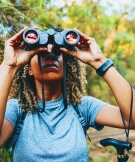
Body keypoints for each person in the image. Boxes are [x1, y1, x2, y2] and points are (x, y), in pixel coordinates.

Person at [0, 27, 134, 162]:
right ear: (29, 69)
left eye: (57, 52)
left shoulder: (83, 107)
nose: (50, 55)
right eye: (41, 52)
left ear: (66, 66)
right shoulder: (17, 110)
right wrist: (9, 66)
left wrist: (99, 61)